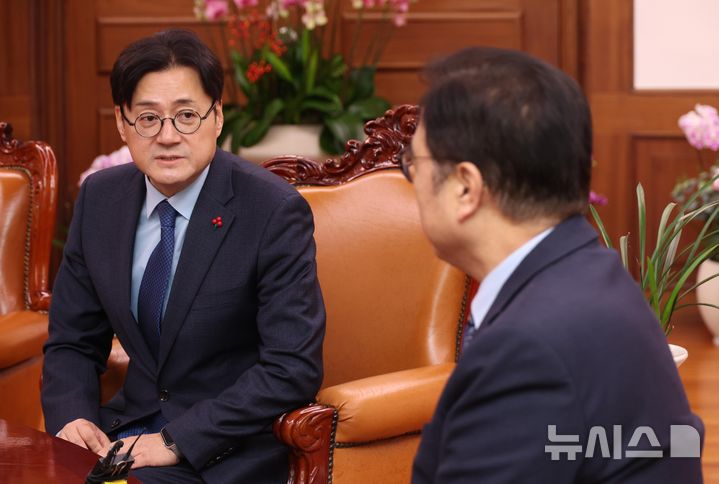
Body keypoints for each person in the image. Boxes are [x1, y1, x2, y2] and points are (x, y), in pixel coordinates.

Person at [406, 47, 703, 483]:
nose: (411, 180)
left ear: (466, 187)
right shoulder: (593, 276)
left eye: (413, 163)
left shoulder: (526, 350)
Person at [41, 29, 325, 483]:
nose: (168, 136)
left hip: (223, 451)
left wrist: (176, 441)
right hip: (125, 435)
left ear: (218, 117)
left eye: (187, 115)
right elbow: (73, 340)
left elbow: (291, 367)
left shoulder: (272, 210)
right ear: (122, 124)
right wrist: (72, 418)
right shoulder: (100, 200)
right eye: (148, 118)